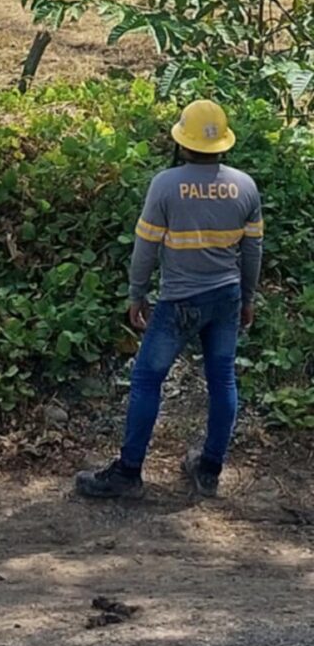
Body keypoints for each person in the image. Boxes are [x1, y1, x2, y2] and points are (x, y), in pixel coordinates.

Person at [76, 99, 263, 503]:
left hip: (178, 300)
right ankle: (209, 469)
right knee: (223, 380)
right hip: (226, 297)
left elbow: (145, 248)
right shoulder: (245, 186)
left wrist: (136, 294)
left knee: (146, 379)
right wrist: (247, 297)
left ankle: (128, 473)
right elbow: (252, 252)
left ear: (182, 142)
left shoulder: (166, 185)